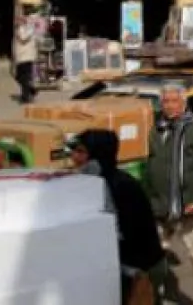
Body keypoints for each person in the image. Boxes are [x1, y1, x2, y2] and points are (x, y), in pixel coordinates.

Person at [70, 129, 167, 302]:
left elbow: (122, 235)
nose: (74, 157)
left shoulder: (117, 186)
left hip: (139, 271)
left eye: (81, 152)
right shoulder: (97, 183)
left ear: (97, 157)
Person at [144, 83, 193, 305]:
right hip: (160, 206)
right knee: (153, 256)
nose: (169, 106)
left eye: (174, 101)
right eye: (165, 101)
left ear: (184, 103)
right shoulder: (156, 128)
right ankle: (153, 295)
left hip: (190, 206)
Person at [12, 15, 38, 105]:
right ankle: (31, 90)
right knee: (18, 77)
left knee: (24, 78)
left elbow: (23, 37)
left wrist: (19, 31)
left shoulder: (26, 29)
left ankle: (25, 97)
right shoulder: (19, 29)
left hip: (26, 57)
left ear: (22, 21)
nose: (15, 22)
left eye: (17, 20)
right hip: (20, 57)